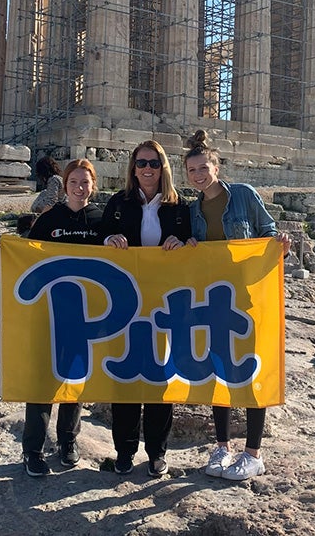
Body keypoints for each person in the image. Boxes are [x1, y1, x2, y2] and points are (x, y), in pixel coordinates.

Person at [183, 129, 291, 481]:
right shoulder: (192, 210)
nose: (198, 175)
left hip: (247, 297)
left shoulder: (243, 196)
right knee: (219, 373)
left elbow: (267, 231)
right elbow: (192, 249)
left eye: (204, 168)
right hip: (214, 298)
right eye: (192, 171)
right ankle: (221, 447)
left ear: (216, 166)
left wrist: (280, 244)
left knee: (249, 372)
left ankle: (253, 453)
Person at [102, 140, 191, 478]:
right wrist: (109, 240)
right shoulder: (118, 203)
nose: (147, 169)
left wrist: (182, 244)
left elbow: (193, 245)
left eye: (153, 163)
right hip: (123, 304)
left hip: (163, 305)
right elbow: (101, 237)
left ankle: (157, 453)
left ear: (163, 167)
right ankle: (124, 452)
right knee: (125, 380)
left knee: (158, 380)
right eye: (141, 163)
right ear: (133, 168)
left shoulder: (179, 206)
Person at [22, 158, 104, 477]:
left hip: (87, 316)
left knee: (75, 380)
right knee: (42, 381)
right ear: (65, 184)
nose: (80, 187)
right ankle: (33, 449)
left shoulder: (101, 219)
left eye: (85, 182)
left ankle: (68, 442)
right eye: (74, 182)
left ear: (92, 186)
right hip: (50, 313)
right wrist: (8, 247)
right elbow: (28, 254)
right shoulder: (49, 218)